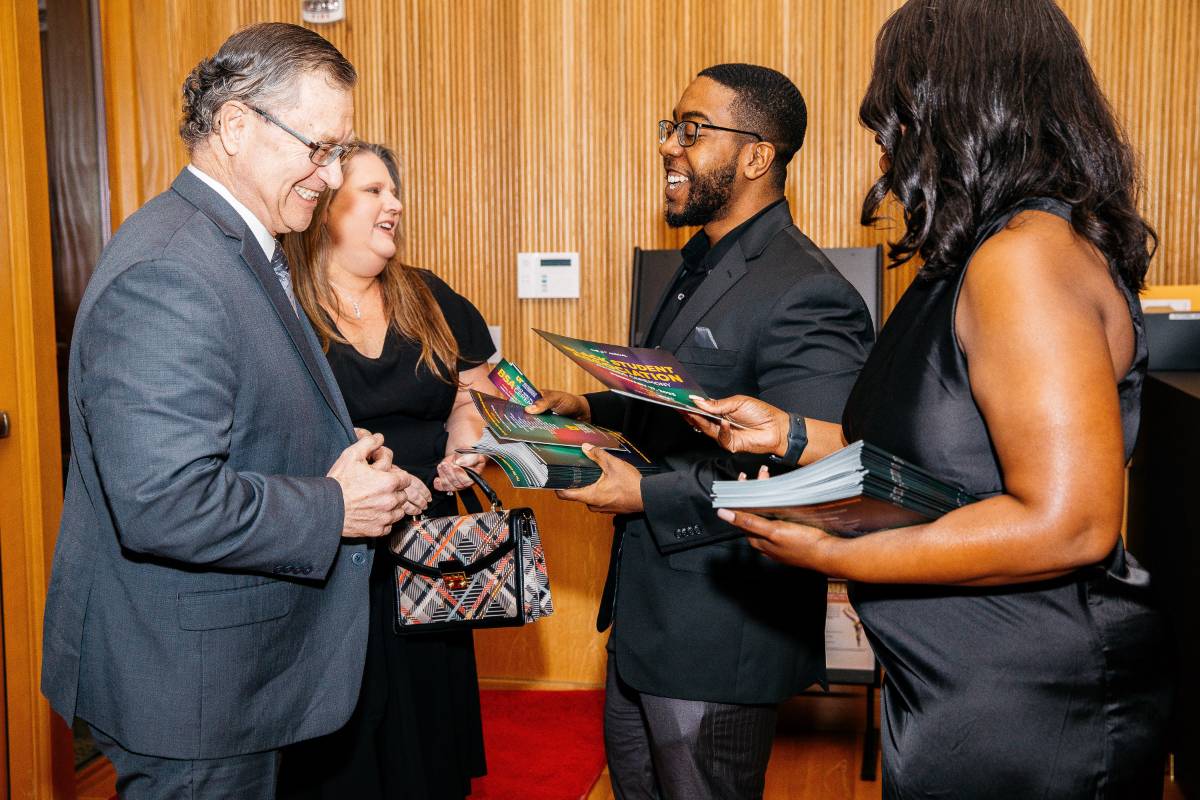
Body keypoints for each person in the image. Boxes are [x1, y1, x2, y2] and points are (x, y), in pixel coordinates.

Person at [689, 2, 1172, 797]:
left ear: (962, 106)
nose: (886, 138)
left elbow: (1072, 522)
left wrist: (837, 557)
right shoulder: (976, 254)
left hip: (1029, 701)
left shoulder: (1022, 260)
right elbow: (941, 458)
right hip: (959, 680)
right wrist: (787, 434)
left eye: (899, 111)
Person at [40, 23, 431, 799]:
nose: (329, 176)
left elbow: (232, 414)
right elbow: (164, 501)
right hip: (189, 689)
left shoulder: (237, 245)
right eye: (318, 148)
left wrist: (350, 464)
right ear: (235, 126)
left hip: (227, 676)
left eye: (338, 152)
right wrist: (334, 506)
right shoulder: (171, 272)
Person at [527, 64, 874, 798]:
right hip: (649, 625)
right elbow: (680, 407)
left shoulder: (807, 291)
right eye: (669, 128)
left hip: (719, 635)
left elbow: (809, 478)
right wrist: (594, 409)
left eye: (693, 130)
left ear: (757, 156)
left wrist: (644, 496)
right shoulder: (696, 264)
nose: (669, 147)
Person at [276, 142, 496, 799]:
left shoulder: (431, 297)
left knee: (429, 742)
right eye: (373, 190)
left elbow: (476, 394)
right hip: (332, 554)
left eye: (393, 191)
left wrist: (467, 446)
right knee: (340, 753)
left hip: (431, 549)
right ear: (325, 205)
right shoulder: (282, 307)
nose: (394, 203)